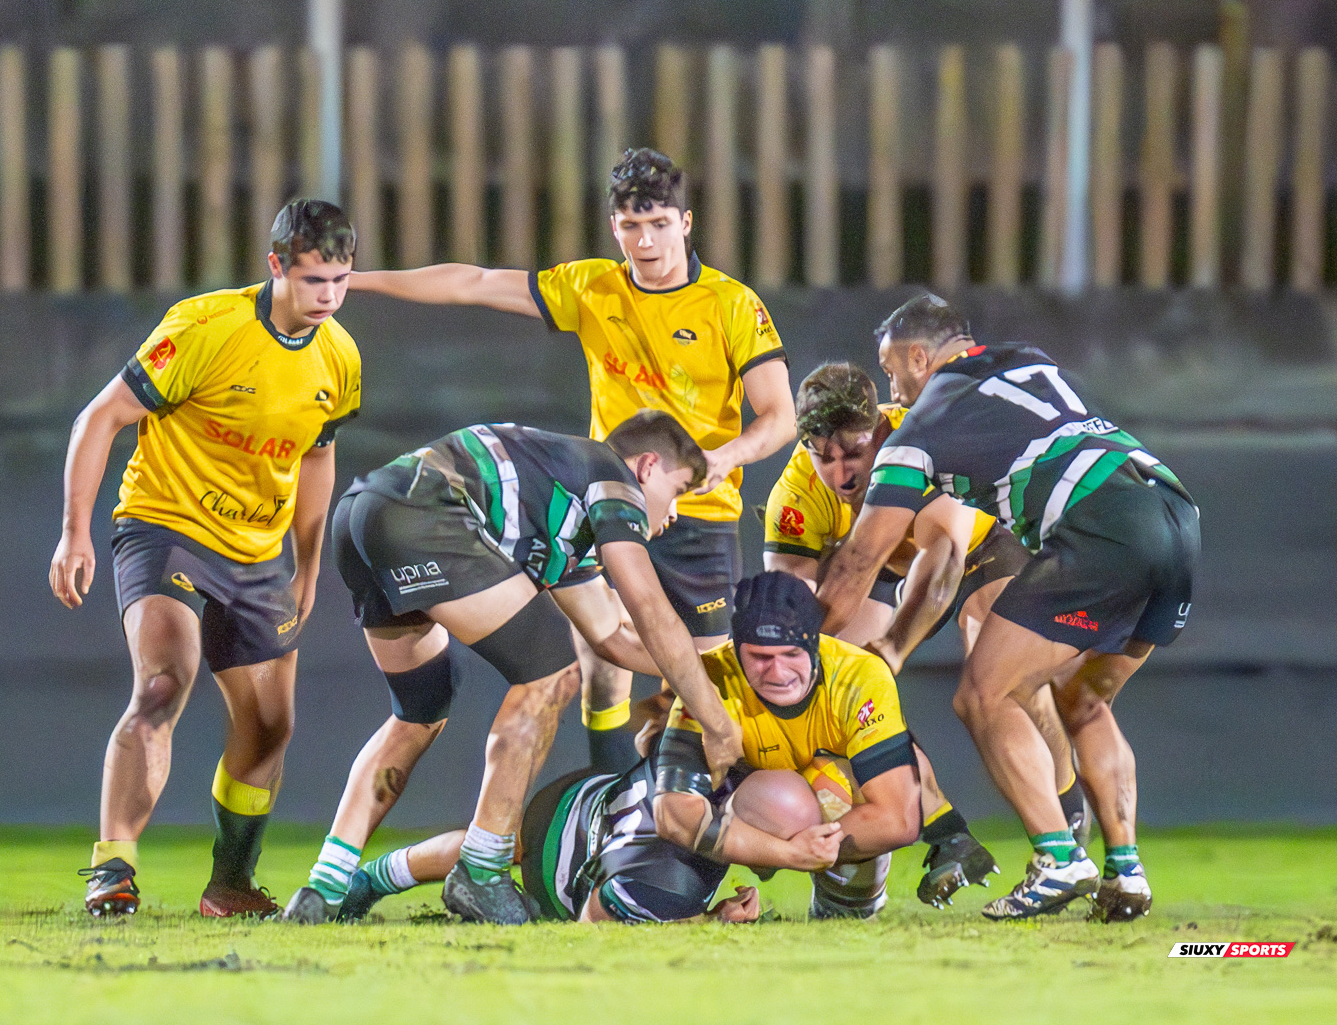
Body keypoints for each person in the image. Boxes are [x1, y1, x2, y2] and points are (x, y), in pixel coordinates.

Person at [346, 148, 795, 773]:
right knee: (603, 664)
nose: (646, 241)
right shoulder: (592, 287)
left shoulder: (731, 304)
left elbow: (780, 416)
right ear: (615, 226)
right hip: (608, 502)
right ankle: (607, 799)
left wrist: (725, 457)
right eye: (632, 226)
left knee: (708, 681)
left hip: (701, 515)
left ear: (686, 223)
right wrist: (355, 282)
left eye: (660, 224)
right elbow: (474, 283)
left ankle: (693, 803)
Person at [277, 410, 744, 925]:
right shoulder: (612, 479)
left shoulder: (568, 505)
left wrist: (717, 668)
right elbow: (650, 610)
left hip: (364, 514)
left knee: (419, 713)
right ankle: (481, 870)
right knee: (553, 674)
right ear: (648, 467)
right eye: (678, 491)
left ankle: (325, 886)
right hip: (423, 512)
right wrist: (718, 721)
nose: (673, 513)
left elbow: (615, 638)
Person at [817, 294, 1199, 922]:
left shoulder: (920, 430)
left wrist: (801, 642)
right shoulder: (1027, 360)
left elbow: (861, 559)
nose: (893, 390)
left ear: (920, 358)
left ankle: (1059, 858)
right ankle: (1126, 872)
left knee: (983, 694)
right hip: (1175, 512)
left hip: (1103, 525)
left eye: (892, 371)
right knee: (1083, 699)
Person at [49, 200, 361, 919]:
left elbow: (318, 455)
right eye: (313, 280)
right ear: (276, 265)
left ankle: (230, 883)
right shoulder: (206, 326)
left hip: (257, 553)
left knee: (271, 726)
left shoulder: (340, 355)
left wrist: (309, 564)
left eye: (341, 281)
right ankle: (113, 868)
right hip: (167, 526)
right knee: (164, 682)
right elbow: (101, 416)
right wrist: (74, 533)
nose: (328, 297)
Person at [330, 573, 913, 923]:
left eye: (791, 655)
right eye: (760, 657)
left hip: (617, 801)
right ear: (737, 652)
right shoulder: (678, 852)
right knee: (515, 848)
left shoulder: (854, 677)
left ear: (816, 646)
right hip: (581, 847)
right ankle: (375, 876)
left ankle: (375, 876)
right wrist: (771, 869)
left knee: (833, 792)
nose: (778, 673)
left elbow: (902, 812)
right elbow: (613, 902)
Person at [763, 361, 1086, 905]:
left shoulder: (919, 443)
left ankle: (1066, 812)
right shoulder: (795, 494)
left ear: (880, 432)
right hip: (880, 567)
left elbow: (945, 557)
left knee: (1004, 688)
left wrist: (892, 648)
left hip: (979, 547)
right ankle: (946, 833)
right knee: (827, 686)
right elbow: (790, 614)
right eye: (824, 455)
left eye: (853, 452)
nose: (842, 473)